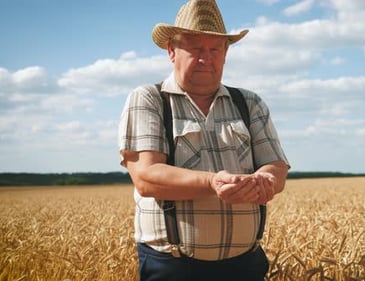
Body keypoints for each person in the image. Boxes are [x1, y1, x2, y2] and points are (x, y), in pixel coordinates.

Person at [118, 0, 289, 280]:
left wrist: (265, 180)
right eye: (195, 48)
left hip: (246, 265)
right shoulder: (150, 99)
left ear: (225, 53)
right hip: (173, 266)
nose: (205, 58)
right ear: (171, 51)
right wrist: (212, 182)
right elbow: (147, 178)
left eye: (214, 49)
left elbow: (276, 167)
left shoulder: (249, 102)